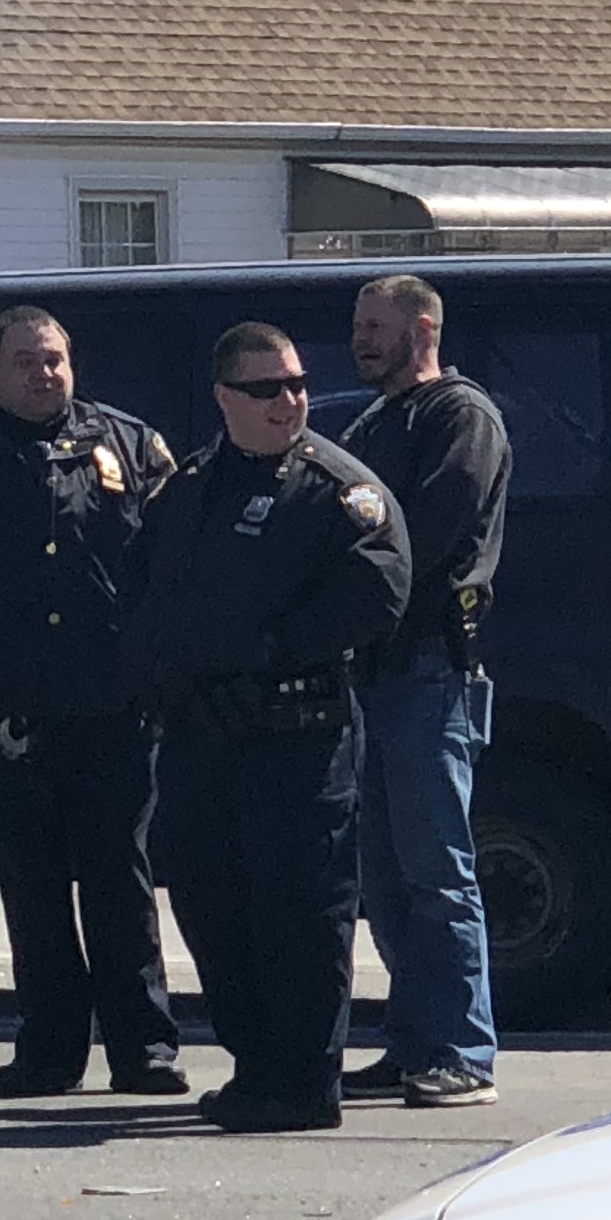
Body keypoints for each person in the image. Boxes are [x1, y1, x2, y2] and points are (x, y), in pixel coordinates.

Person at [0, 304, 185, 1098]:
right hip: (4, 709)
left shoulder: (129, 444)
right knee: (33, 883)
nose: (43, 373)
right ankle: (49, 1049)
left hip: (112, 703)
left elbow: (176, 564)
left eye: (54, 359)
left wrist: (148, 661)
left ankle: (143, 1048)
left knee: (120, 878)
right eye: (25, 362)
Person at [130, 323, 409, 1133]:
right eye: (266, 389)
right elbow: (148, 597)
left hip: (296, 729)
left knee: (301, 910)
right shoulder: (187, 489)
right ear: (224, 398)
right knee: (217, 907)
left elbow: (379, 592)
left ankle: (302, 1082)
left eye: (295, 384)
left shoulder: (336, 489)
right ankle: (256, 1067)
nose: (289, 401)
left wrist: (264, 654)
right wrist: (166, 682)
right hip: (204, 735)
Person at [338, 275, 512, 1110]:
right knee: (385, 872)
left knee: (440, 869)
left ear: (424, 328)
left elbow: (427, 533)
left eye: (377, 326)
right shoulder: (375, 422)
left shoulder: (461, 418)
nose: (362, 339)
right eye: (359, 326)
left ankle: (462, 1051)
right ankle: (412, 1042)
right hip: (368, 673)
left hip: (430, 672)